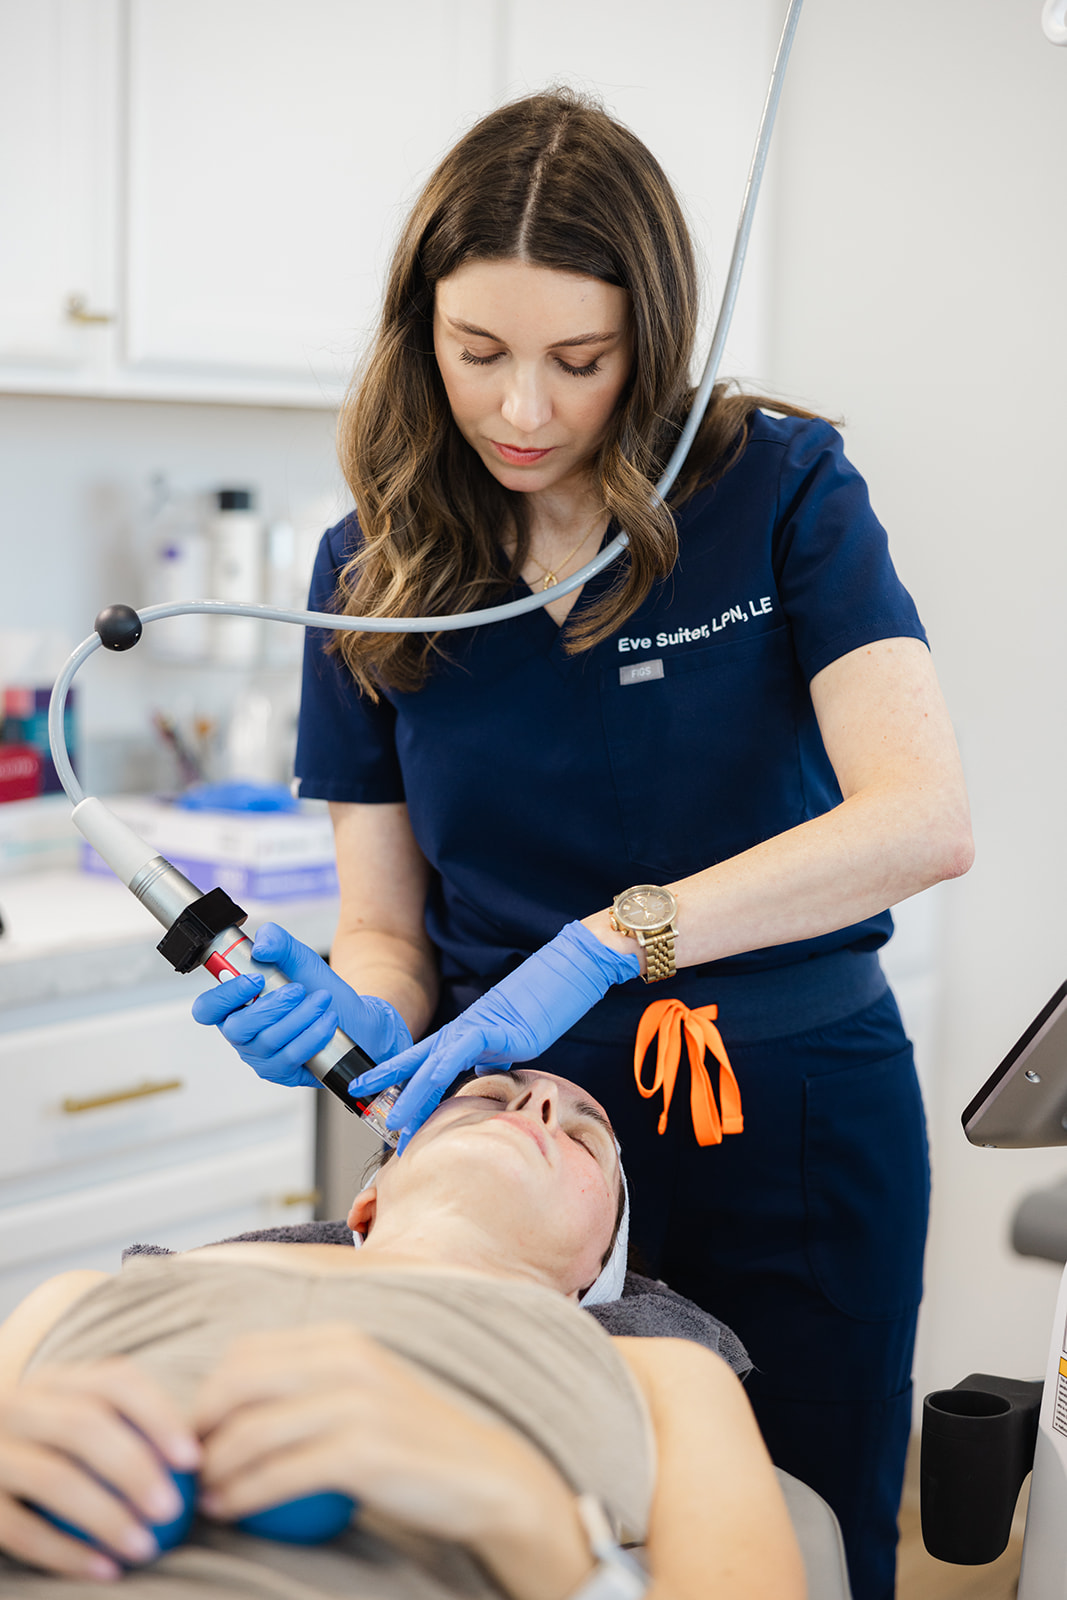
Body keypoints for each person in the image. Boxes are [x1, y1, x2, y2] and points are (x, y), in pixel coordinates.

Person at [192, 89, 973, 1600]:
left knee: (806, 1527)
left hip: (794, 1120)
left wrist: (612, 940)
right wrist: (354, 1013)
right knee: (500, 1539)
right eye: (477, 351)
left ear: (651, 341)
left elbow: (919, 819)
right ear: (419, 329)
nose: (524, 410)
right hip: (509, 1138)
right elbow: (387, 930)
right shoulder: (368, 567)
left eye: (580, 360)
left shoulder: (776, 487)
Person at [0, 1070, 804, 1598]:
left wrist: (520, 1511)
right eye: (487, 1099)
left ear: (592, 1272)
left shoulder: (666, 1374)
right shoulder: (79, 1298)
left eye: (584, 1137)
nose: (537, 1106)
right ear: (369, 1202)